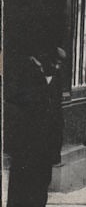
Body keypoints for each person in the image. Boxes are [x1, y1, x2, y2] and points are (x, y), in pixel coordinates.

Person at [5, 44, 66, 207]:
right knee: (23, 186)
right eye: (54, 63)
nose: (56, 67)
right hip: (27, 145)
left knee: (41, 185)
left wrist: (56, 149)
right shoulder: (29, 76)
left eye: (59, 64)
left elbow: (57, 116)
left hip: (46, 146)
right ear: (46, 60)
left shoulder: (56, 79)